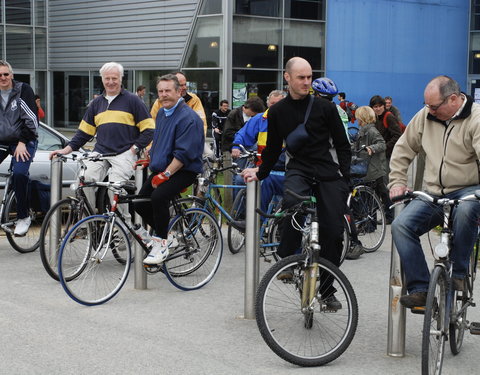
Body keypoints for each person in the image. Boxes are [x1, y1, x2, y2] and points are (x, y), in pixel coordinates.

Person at [242, 57, 351, 309]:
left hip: (327, 171)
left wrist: (345, 179)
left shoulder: (326, 108)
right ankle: (287, 260)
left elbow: (343, 146)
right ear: (287, 77)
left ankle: (326, 290)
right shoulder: (277, 111)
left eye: (309, 77)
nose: (306, 82)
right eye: (301, 77)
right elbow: (271, 149)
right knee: (292, 203)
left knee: (333, 233)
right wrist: (260, 172)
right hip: (299, 170)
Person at [389, 75, 480, 308]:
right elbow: (404, 148)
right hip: (434, 193)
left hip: (467, 190)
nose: (429, 110)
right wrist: (397, 181)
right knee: (401, 226)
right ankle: (421, 288)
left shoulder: (476, 118)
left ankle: (459, 273)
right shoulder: (425, 116)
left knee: (465, 211)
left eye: (434, 106)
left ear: (453, 99)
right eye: (426, 105)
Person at [50, 62, 154, 223]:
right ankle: (90, 222)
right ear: (102, 79)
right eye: (107, 78)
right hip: (101, 151)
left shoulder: (133, 101)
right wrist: (66, 150)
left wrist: (134, 149)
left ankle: (123, 226)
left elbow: (149, 129)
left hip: (125, 152)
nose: (111, 82)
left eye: (114, 78)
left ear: (121, 79)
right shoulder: (96, 104)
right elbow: (84, 133)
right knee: (84, 182)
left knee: (115, 188)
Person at [134, 74, 204, 265]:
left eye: (168, 91)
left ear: (179, 91)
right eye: (160, 91)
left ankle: (162, 243)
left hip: (183, 170)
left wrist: (165, 175)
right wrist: (149, 157)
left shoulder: (188, 117)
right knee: (139, 203)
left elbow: (183, 154)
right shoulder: (163, 113)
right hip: (163, 168)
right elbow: (160, 141)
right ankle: (170, 235)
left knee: (159, 197)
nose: (163, 95)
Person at [312, 77, 363, 260]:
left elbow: (341, 142)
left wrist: (345, 172)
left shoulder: (335, 111)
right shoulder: (336, 109)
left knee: (338, 205)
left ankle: (355, 240)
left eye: (328, 98)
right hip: (322, 162)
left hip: (333, 163)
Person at [231, 90, 286, 215]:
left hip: (281, 166)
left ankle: (264, 220)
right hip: (262, 164)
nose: (275, 107)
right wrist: (236, 146)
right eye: (273, 103)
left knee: (272, 188)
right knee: (240, 180)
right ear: (268, 104)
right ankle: (242, 216)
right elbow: (243, 133)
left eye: (279, 103)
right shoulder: (260, 119)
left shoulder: (289, 120)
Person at [0, 60, 38, 236]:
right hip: (2, 141)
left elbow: (32, 122)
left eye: (5, 74)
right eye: (0, 75)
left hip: (24, 139)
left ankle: (24, 216)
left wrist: (22, 142)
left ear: (11, 75)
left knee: (20, 173)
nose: (3, 78)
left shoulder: (23, 90)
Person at [370, 95, 402, 223]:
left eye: (379, 106)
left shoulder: (388, 117)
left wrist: (384, 148)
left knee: (384, 185)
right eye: (375, 107)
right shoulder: (375, 118)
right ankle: (384, 215)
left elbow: (397, 135)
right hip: (379, 156)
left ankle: (389, 215)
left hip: (387, 156)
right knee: (379, 185)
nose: (377, 109)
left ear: (384, 106)